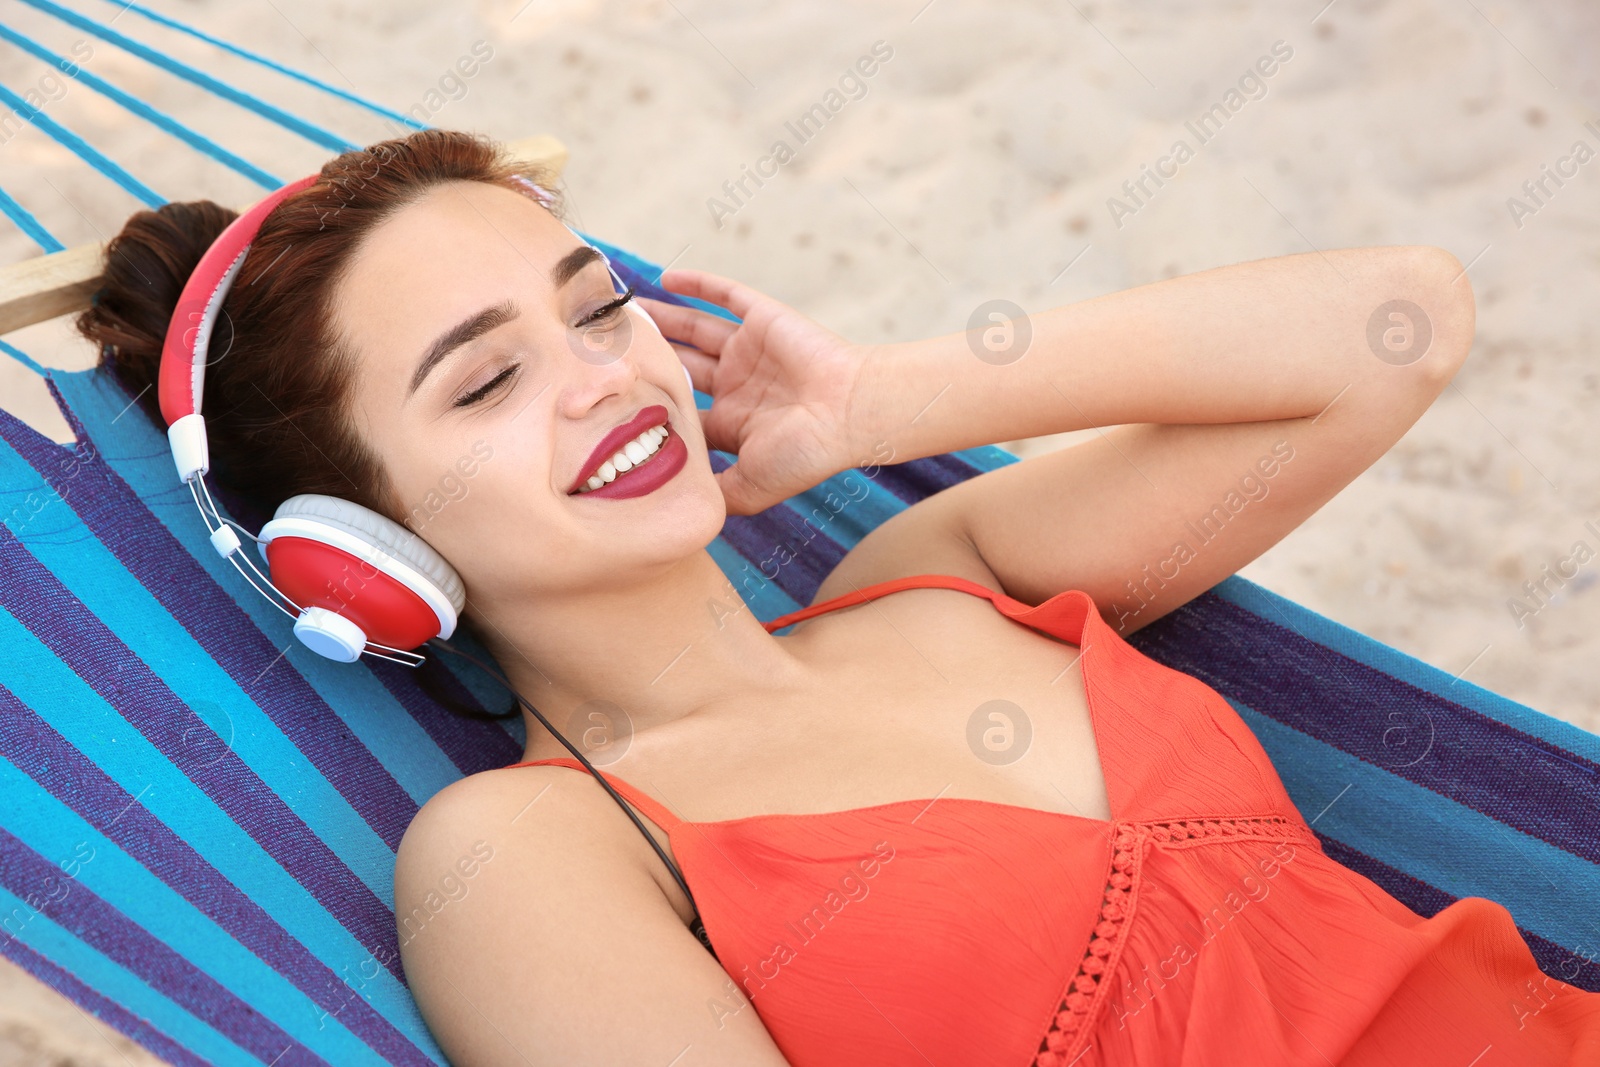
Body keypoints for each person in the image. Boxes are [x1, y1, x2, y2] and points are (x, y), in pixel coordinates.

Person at [81, 128, 1599, 1066]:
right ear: (361, 548)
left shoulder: (935, 585)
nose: (606, 378)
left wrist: (879, 402)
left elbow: (1399, 329)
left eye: (598, 306)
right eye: (485, 380)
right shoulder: (536, 853)